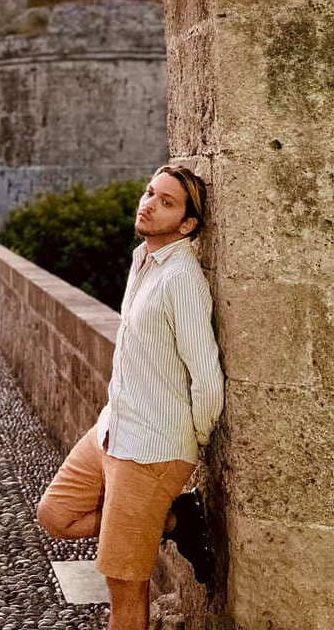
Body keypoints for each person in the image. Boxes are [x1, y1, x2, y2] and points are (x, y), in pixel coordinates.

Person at [37, 165, 225, 630]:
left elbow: (207, 378)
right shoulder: (143, 260)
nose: (149, 204)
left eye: (166, 202)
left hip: (151, 448)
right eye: (150, 193)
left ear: (187, 225)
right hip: (112, 427)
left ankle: (156, 514)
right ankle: (171, 521)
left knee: (123, 585)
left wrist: (188, 441)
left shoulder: (181, 278)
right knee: (56, 514)